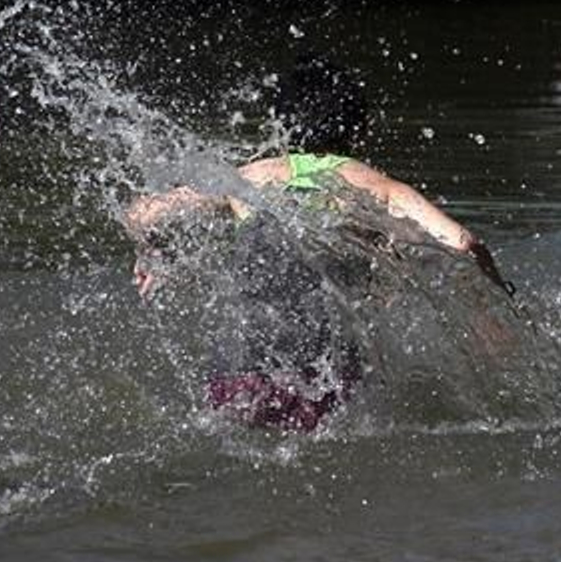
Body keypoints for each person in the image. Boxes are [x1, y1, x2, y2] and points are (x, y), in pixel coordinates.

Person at [124, 59, 513, 431]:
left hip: (235, 378)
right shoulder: (380, 188)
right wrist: (496, 300)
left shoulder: (249, 178)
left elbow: (141, 214)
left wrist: (155, 253)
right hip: (325, 382)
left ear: (283, 125)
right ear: (360, 129)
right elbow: (462, 243)